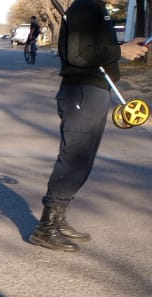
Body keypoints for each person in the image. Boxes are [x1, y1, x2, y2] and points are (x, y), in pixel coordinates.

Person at [30, 0, 148, 251]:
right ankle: (46, 227)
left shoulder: (95, 7)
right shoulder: (85, 7)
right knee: (74, 158)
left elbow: (93, 47)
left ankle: (58, 219)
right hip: (82, 92)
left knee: (83, 161)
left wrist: (123, 48)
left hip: (95, 90)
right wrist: (120, 51)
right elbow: (78, 55)